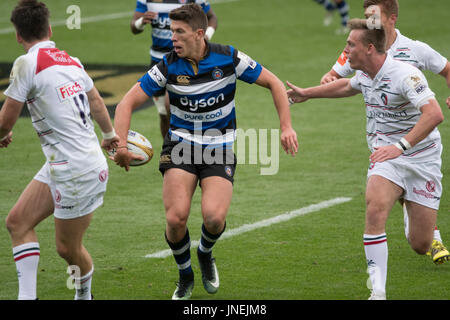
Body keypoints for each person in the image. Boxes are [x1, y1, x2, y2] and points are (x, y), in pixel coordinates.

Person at [114, 3, 298, 300]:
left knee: (213, 218)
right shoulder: (168, 65)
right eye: (171, 31)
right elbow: (126, 103)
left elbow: (274, 83)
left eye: (179, 32)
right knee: (176, 219)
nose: (172, 38)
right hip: (180, 146)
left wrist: (286, 126)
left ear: (199, 34)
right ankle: (185, 274)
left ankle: (205, 252)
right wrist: (120, 145)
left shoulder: (228, 57)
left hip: (219, 147)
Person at [287, 19, 445, 300]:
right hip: (385, 156)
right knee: (374, 209)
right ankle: (378, 292)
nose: (345, 50)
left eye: (351, 44)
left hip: (421, 158)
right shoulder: (366, 74)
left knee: (421, 244)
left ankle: (410, 207)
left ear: (369, 48)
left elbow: (434, 114)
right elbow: (348, 86)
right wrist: (306, 94)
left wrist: (401, 145)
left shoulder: (405, 75)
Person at [0, 0, 119, 300]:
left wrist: (2, 134)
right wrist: (109, 135)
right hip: (65, 163)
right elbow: (95, 102)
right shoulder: (71, 60)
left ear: (17, 35)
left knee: (67, 249)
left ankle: (84, 296)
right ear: (50, 29)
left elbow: (5, 121)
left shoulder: (26, 63)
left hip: (76, 169)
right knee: (18, 222)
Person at [319, 0, 450, 264]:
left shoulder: (415, 49)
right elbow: (334, 76)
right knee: (384, 191)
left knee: (417, 237)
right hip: (381, 141)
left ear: (391, 18)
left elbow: (447, 70)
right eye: (366, 16)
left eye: (374, 17)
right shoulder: (360, 47)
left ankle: (428, 232)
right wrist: (326, 81)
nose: (369, 22)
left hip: (416, 145)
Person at [130, 0, 218, 139]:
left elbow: (212, 17)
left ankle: (192, 145)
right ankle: (169, 151)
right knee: (163, 115)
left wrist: (206, 37)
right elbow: (134, 27)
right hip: (157, 61)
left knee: (172, 108)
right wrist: (141, 21)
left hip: (182, 61)